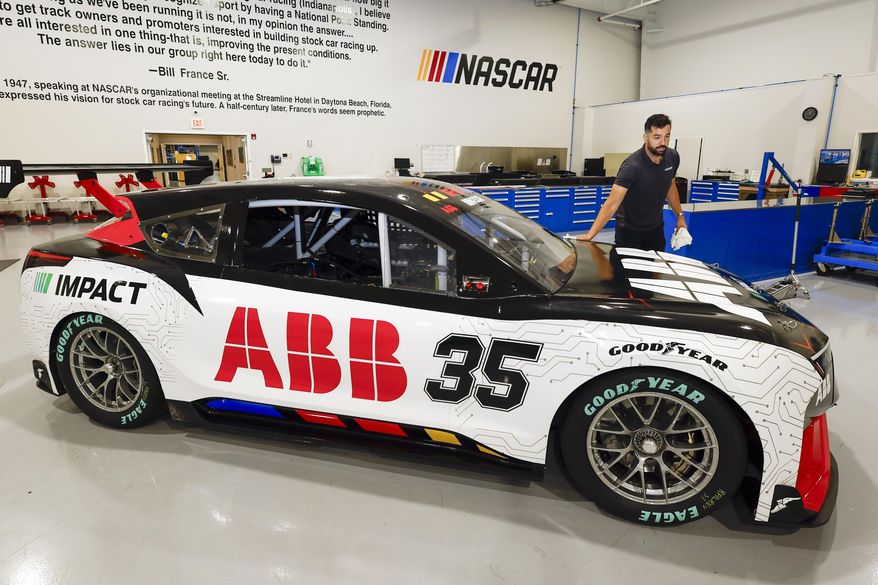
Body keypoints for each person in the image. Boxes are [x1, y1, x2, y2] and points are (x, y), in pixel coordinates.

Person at [578, 113, 686, 251]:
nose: (663, 143)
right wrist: (591, 234)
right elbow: (612, 204)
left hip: (655, 230)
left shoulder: (673, 157)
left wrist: (680, 216)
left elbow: (670, 186)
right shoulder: (632, 166)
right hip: (629, 232)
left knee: (653, 272)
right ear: (645, 137)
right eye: (657, 137)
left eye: (667, 136)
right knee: (626, 272)